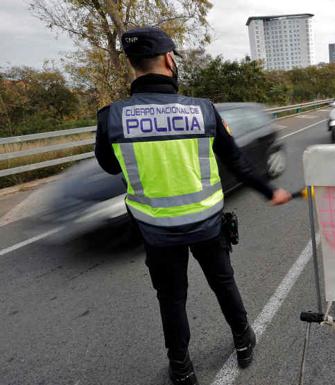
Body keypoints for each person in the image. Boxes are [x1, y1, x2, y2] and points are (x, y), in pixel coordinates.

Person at [94, 27, 291, 385]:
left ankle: (181, 367)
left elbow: (110, 165)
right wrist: (268, 191)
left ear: (132, 66)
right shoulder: (203, 111)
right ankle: (243, 339)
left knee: (171, 298)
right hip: (206, 224)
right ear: (169, 59)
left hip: (156, 231)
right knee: (223, 283)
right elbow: (237, 162)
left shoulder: (112, 116)